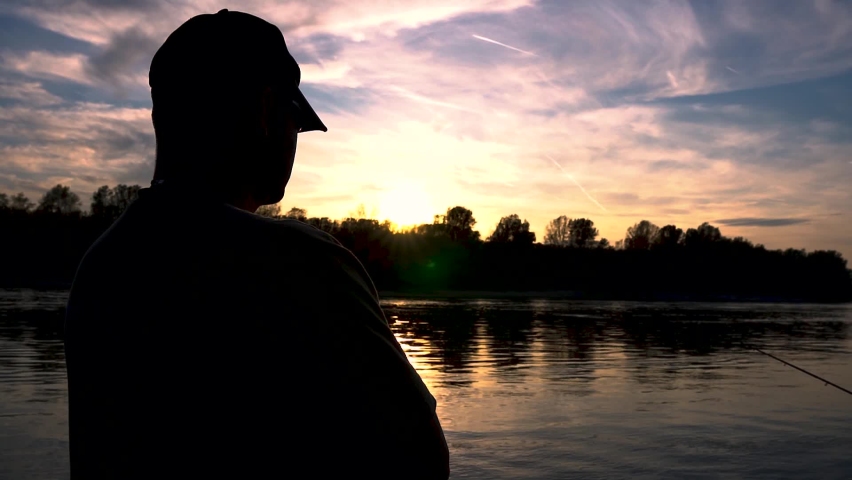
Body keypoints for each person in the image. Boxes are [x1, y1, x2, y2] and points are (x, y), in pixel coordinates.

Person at [64, 10, 449, 479]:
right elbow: (421, 460)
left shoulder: (104, 264)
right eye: (296, 121)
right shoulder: (299, 261)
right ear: (267, 111)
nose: (296, 141)